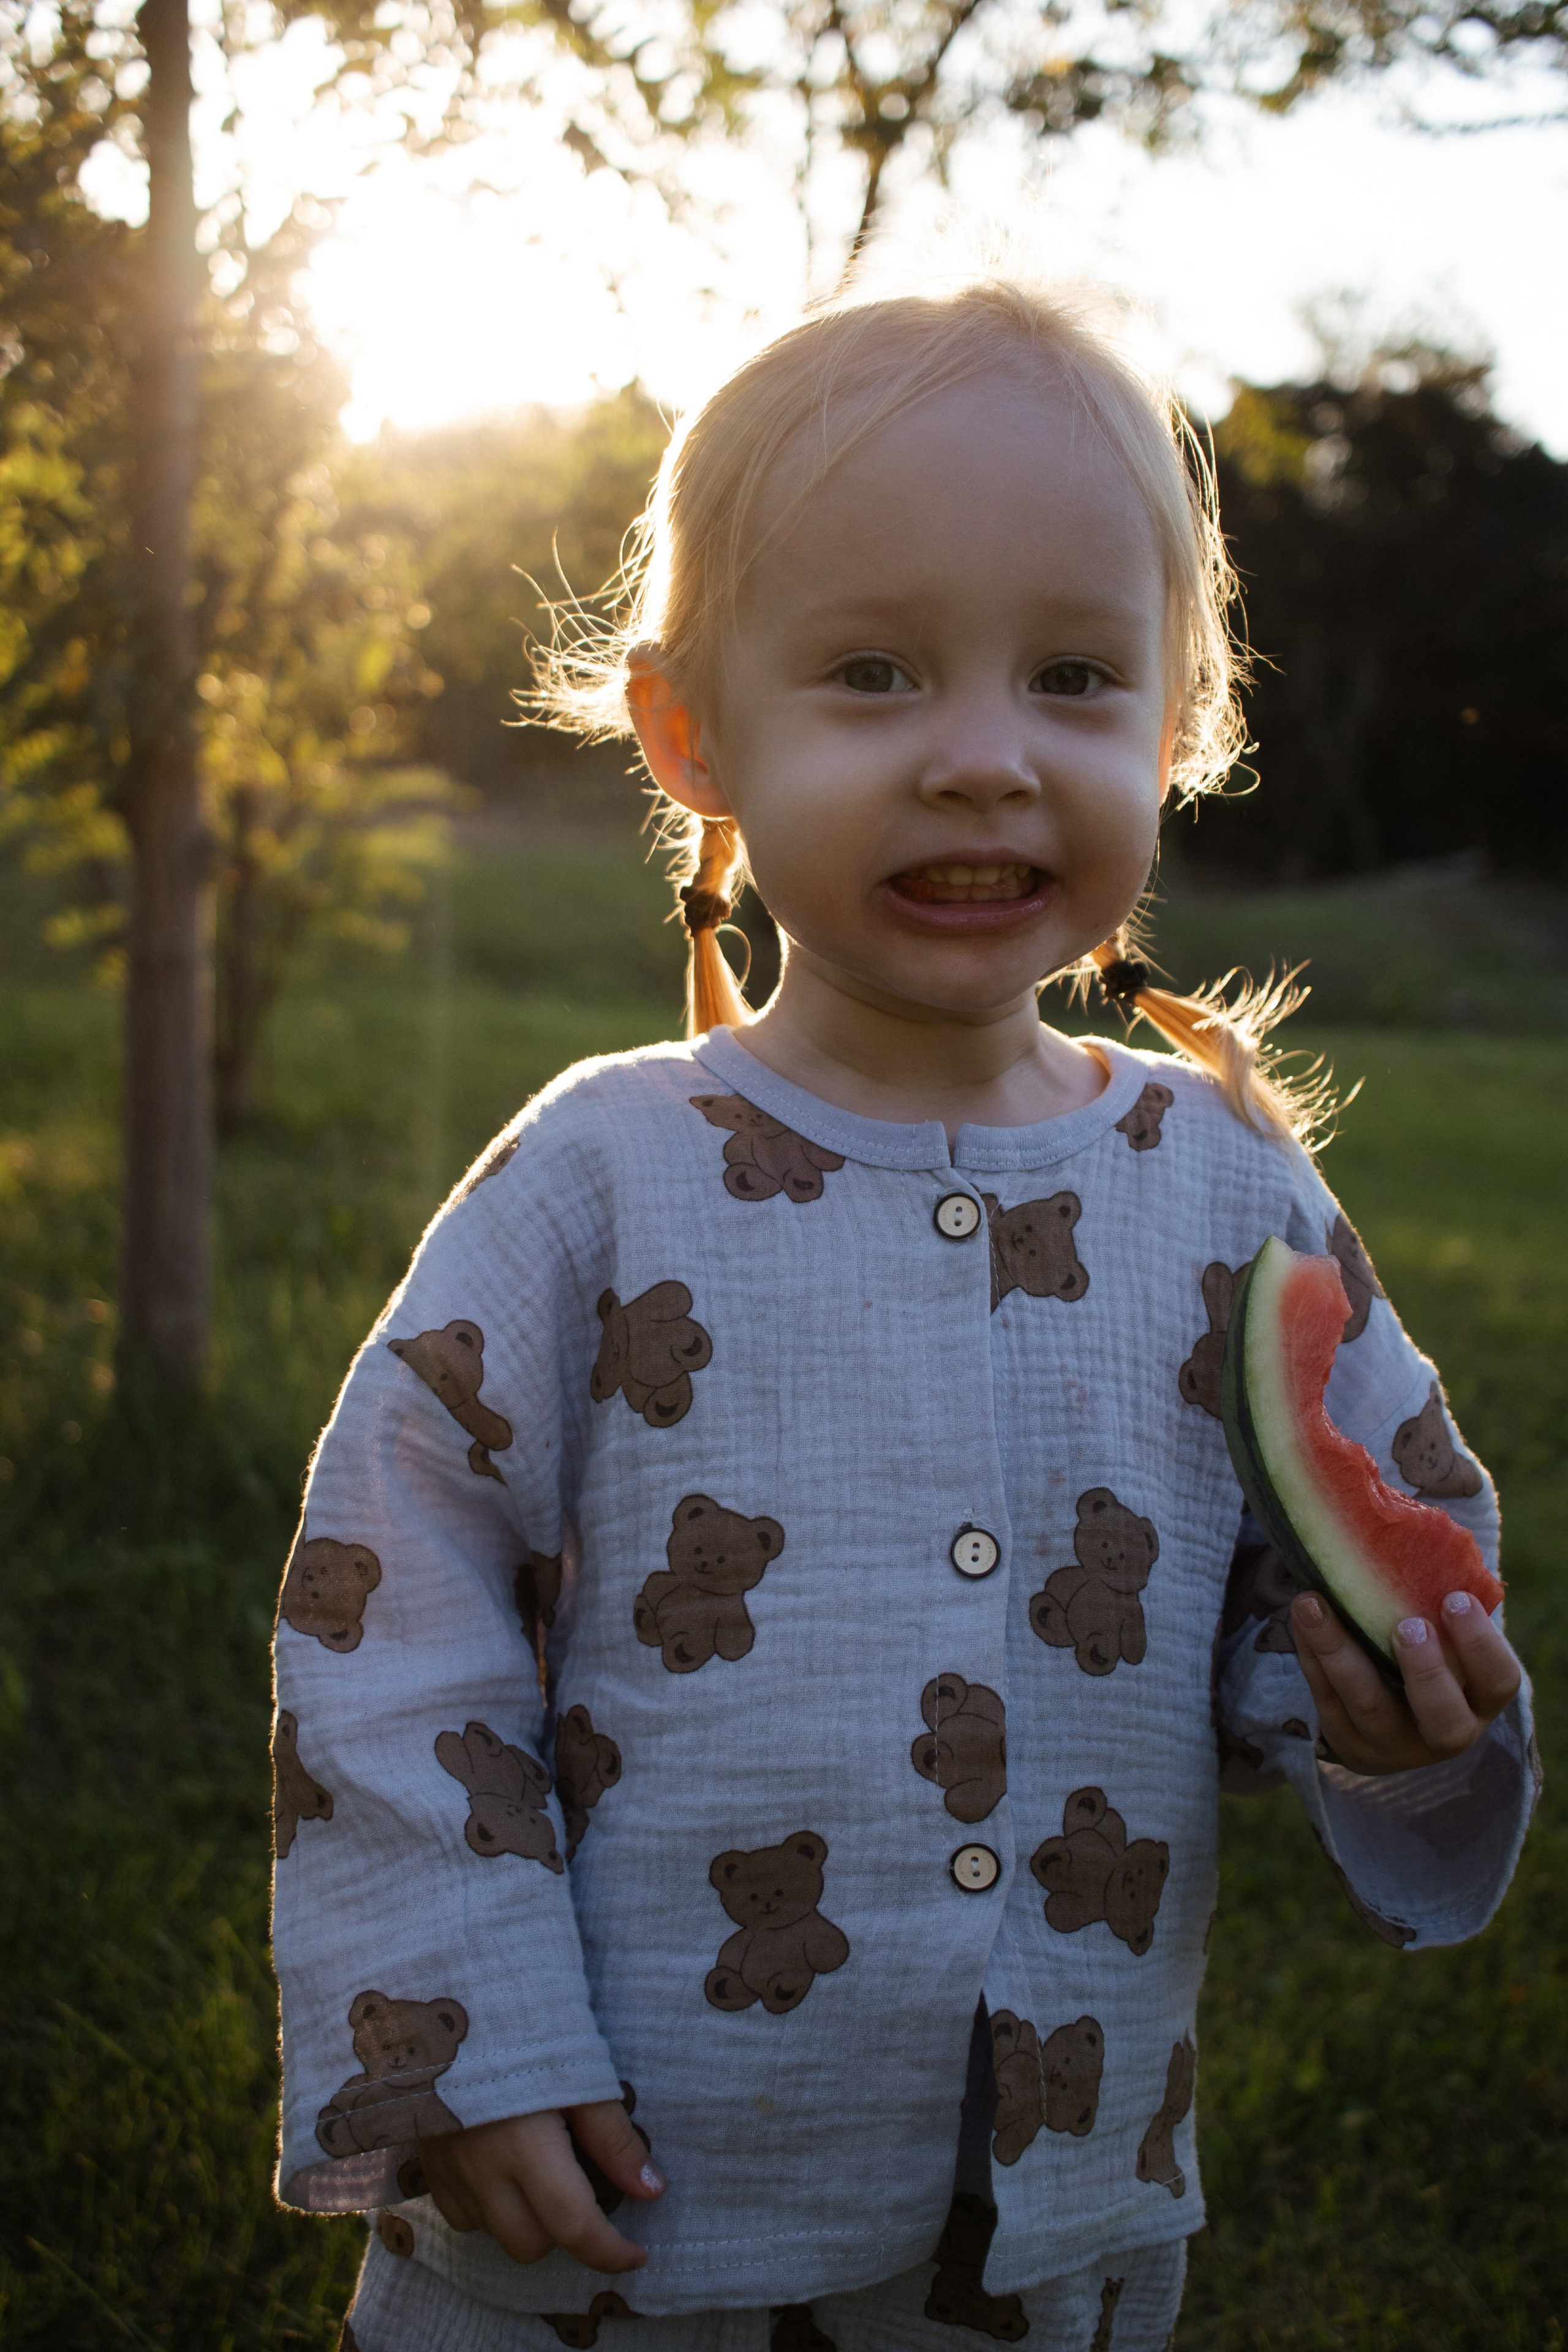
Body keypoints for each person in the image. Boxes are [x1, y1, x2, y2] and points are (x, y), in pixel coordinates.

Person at [271, 278, 1536, 2352]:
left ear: (1178, 730)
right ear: (695, 732)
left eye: (1071, 678)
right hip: (618, 2221)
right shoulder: (596, 1174)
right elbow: (385, 1610)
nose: (981, 761)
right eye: (873, 673)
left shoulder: (1233, 1191)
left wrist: (1394, 1721)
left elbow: (1352, 1579)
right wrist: (460, 2026)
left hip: (1051, 2226)